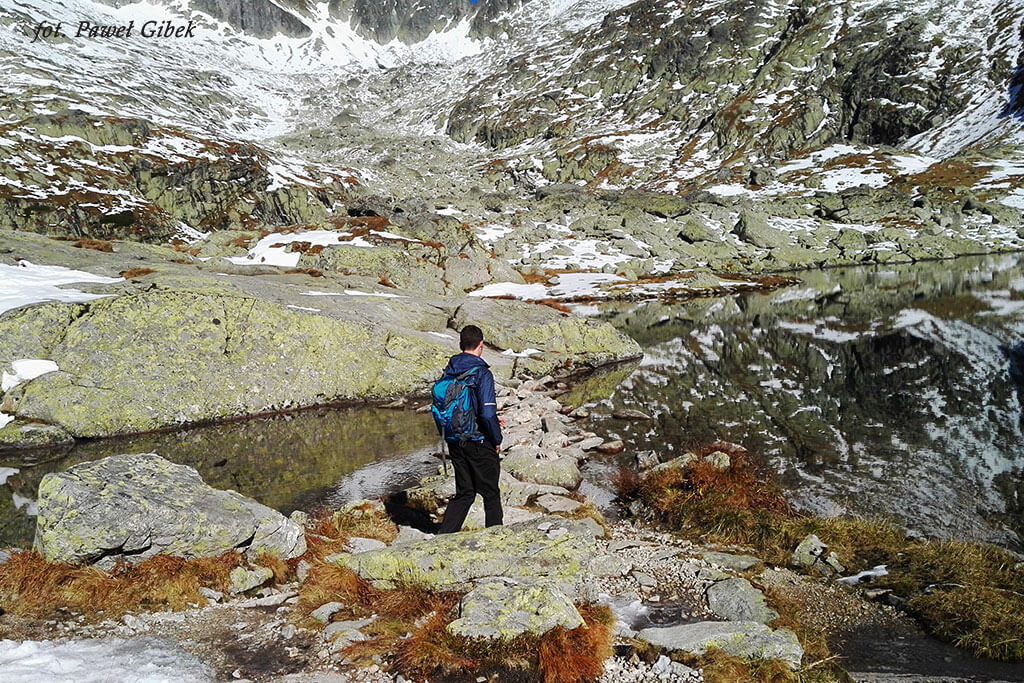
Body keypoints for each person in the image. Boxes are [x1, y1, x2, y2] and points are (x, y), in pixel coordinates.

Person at [436, 324, 503, 533]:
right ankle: (497, 540)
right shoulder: (481, 373)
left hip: (455, 441)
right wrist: (497, 439)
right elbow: (487, 413)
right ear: (481, 345)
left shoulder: (449, 371)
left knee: (465, 493)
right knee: (491, 494)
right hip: (478, 441)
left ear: (460, 345)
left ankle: (444, 537)